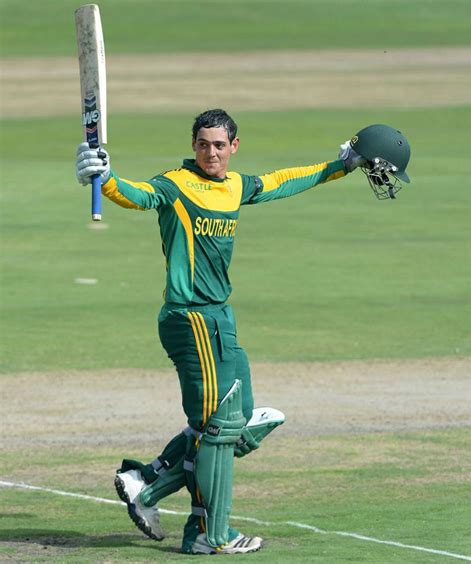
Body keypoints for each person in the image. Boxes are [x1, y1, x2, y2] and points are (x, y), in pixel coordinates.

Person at [75, 108, 366, 555]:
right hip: (190, 318)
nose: (210, 152)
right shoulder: (176, 183)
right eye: (202, 144)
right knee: (219, 427)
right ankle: (212, 534)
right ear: (193, 145)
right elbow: (138, 195)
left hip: (219, 317)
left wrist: (340, 166)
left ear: (233, 146)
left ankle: (148, 484)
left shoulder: (234, 187)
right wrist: (107, 178)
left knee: (241, 422)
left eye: (219, 145)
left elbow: (284, 181)